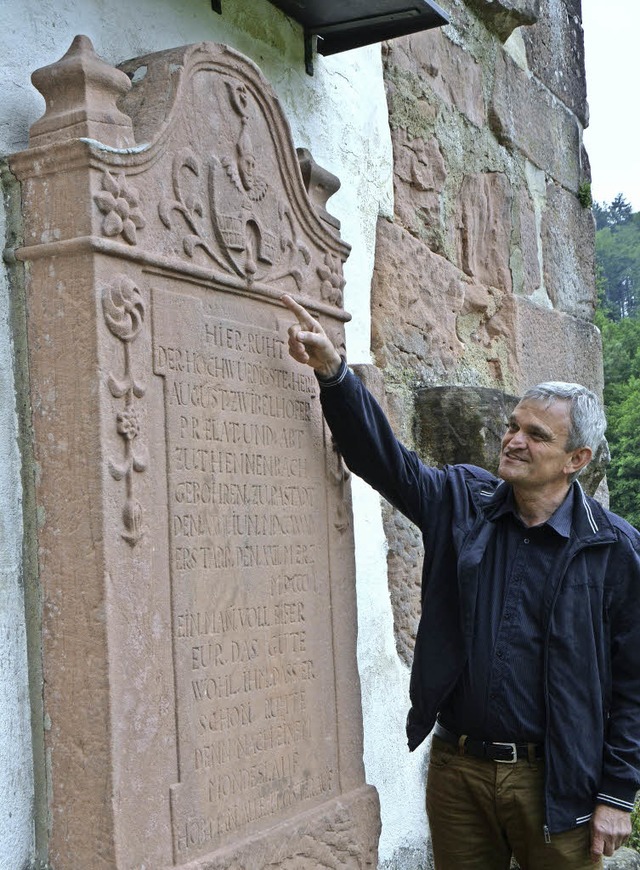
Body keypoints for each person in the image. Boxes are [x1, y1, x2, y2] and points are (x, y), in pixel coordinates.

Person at [281, 293, 640, 869]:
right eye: (513, 426)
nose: (514, 440)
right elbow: (386, 463)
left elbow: (633, 681)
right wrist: (335, 376)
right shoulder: (462, 501)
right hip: (459, 770)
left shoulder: (613, 547)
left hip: (558, 779)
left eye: (537, 435)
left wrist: (617, 794)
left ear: (577, 459)